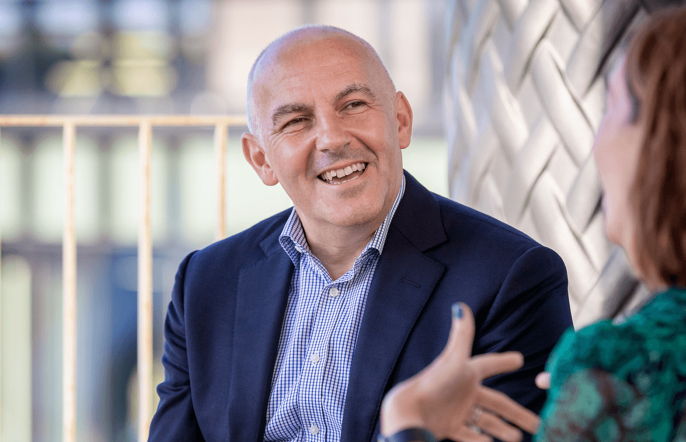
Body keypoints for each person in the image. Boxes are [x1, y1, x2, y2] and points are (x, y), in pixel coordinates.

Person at [148, 25, 573, 442]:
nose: (332, 139)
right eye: (296, 121)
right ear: (261, 159)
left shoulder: (512, 278)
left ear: (401, 121)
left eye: (352, 105)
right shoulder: (205, 282)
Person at [379, 6, 686, 442]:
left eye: (611, 106)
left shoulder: (626, 369)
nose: (596, 141)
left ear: (664, 149)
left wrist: (407, 422)